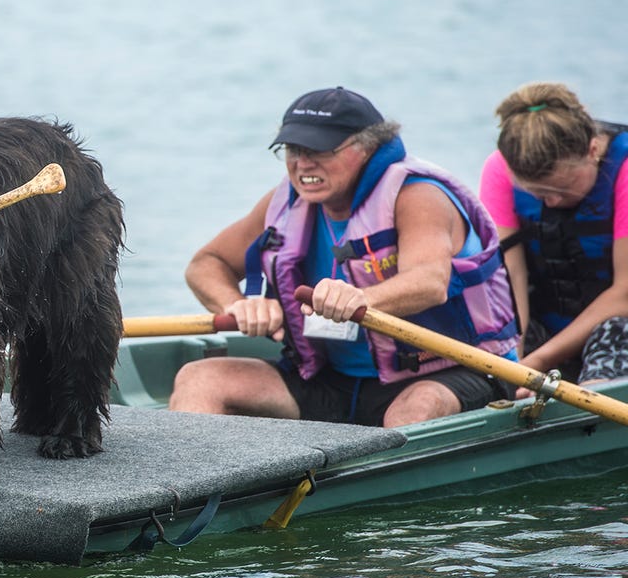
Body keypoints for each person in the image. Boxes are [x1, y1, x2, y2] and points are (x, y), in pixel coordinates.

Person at [169, 87, 519, 427]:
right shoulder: (284, 204)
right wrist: (237, 304)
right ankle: (193, 486)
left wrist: (362, 298)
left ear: (368, 148)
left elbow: (430, 282)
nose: (303, 163)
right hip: (331, 380)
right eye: (293, 149)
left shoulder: (417, 196)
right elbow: (205, 264)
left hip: (449, 369)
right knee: (200, 378)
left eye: (320, 150)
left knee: (416, 410)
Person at [481, 82, 628, 393]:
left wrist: (535, 364)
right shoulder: (499, 169)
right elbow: (509, 277)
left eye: (560, 191)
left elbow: (625, 293)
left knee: (615, 335)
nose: (550, 204)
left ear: (592, 150)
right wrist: (515, 359)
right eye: (537, 194)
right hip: (547, 323)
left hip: (618, 319)